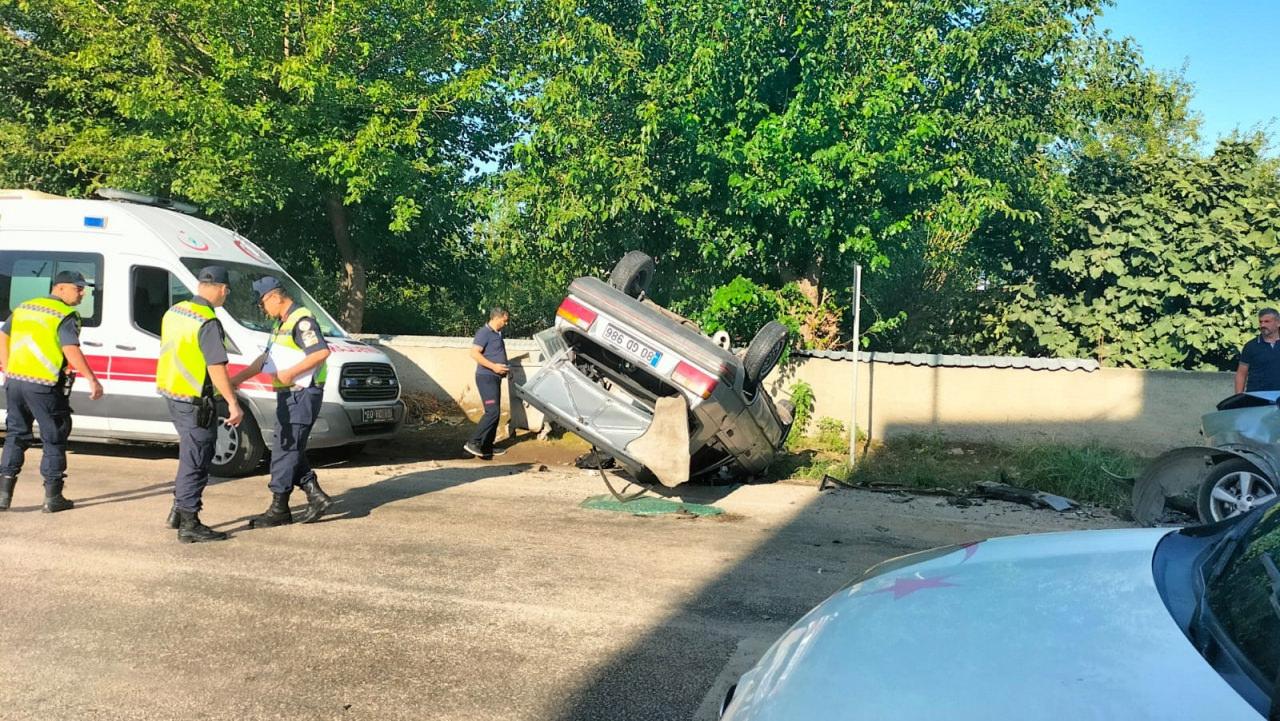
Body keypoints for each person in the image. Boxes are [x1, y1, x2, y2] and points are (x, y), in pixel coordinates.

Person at [231, 276, 333, 527]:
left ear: (274, 297)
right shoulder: (281, 324)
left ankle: (279, 508)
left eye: (262, 304)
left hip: (302, 392)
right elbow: (266, 359)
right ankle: (314, 493)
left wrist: (291, 373)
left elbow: (321, 352)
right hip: (290, 394)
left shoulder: (302, 321)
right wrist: (237, 379)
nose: (263, 310)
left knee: (285, 448)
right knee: (289, 445)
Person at [0, 270, 104, 512]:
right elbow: (71, 349)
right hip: (44, 386)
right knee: (54, 437)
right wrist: (92, 379)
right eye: (78, 289)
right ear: (60, 288)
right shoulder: (65, 314)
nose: (82, 293)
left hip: (15, 382)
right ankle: (53, 497)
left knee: (16, 435)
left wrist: (7, 368)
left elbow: (3, 336)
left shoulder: (25, 307)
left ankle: (3, 497)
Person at [157, 265, 243, 543]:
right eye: (226, 292)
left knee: (189, 454)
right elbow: (216, 366)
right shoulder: (207, 320)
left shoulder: (175, 311)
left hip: (173, 392)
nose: (225, 296)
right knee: (197, 459)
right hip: (196, 400)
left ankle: (178, 512)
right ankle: (189, 524)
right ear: (221, 288)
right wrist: (232, 401)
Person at [464, 307, 510, 460]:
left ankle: (486, 447)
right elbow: (474, 353)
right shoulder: (483, 333)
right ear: (496, 318)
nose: (506, 323)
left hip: (494, 377)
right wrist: (495, 367)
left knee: (495, 413)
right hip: (486, 377)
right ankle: (473, 442)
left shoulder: (497, 333)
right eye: (504, 320)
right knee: (492, 412)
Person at [1236, 308, 1280, 393]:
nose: (1263, 325)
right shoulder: (1251, 346)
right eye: (1261, 322)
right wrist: (1238, 398)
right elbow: (1241, 374)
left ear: (1278, 323)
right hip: (1257, 397)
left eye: (1267, 321)